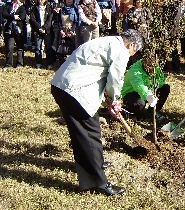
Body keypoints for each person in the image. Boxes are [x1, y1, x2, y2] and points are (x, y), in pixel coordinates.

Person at [50, 29, 143, 196]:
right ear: (132, 44)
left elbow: (101, 71)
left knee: (81, 133)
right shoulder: (121, 49)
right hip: (76, 91)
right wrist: (114, 100)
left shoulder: (106, 41)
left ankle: (95, 163)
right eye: (133, 52)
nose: (131, 56)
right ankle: (97, 182)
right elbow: (114, 79)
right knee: (90, 133)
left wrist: (109, 98)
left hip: (60, 85)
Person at [121, 54, 170, 118]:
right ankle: (128, 111)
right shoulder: (135, 71)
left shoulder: (154, 65)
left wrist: (156, 86)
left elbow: (161, 78)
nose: (151, 69)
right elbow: (139, 86)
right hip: (131, 93)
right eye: (149, 67)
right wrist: (148, 95)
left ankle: (153, 111)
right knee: (140, 104)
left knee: (165, 88)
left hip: (148, 89)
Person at [2, 0, 26, 70]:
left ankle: (20, 63)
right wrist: (13, 16)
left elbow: (22, 17)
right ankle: (8, 64)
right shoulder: (8, 5)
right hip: (9, 28)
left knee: (20, 47)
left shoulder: (22, 6)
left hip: (19, 29)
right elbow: (4, 14)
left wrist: (12, 15)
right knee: (9, 47)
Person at [30, 0, 54, 69]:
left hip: (47, 31)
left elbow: (49, 19)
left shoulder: (49, 7)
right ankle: (38, 62)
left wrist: (44, 28)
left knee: (48, 47)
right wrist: (39, 28)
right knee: (38, 47)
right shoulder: (34, 8)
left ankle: (49, 63)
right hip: (37, 30)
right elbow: (33, 20)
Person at [57, 0, 78, 65]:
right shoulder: (62, 10)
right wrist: (61, 30)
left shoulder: (75, 9)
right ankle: (62, 64)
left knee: (73, 48)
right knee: (62, 48)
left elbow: (76, 21)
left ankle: (72, 64)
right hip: (63, 30)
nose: (69, 0)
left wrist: (71, 30)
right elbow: (59, 21)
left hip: (72, 31)